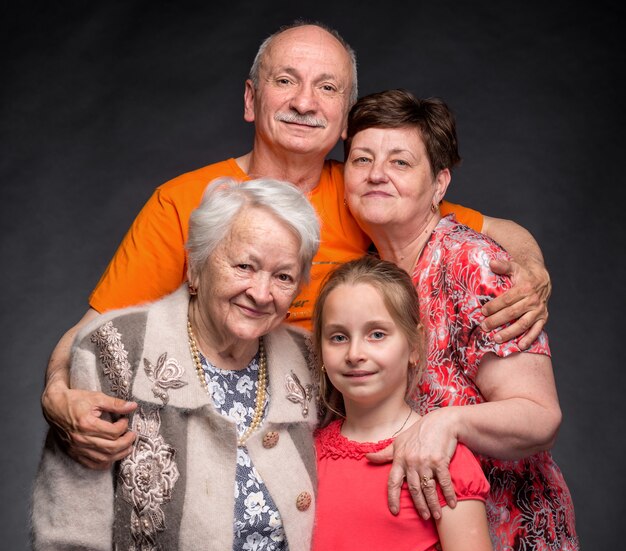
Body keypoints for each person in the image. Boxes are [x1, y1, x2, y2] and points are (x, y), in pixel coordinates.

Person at [41, 21, 552, 473]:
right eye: (285, 81)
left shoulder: (363, 197)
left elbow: (491, 230)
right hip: (223, 458)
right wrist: (58, 395)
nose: (305, 102)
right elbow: (94, 329)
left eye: (326, 88)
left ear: (346, 114)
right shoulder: (186, 202)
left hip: (343, 457)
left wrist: (529, 266)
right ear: (250, 98)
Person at [32, 177, 322, 551]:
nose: (262, 293)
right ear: (196, 266)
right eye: (244, 266)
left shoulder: (309, 362)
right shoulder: (114, 352)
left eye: (283, 276)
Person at [341, 88, 578, 551]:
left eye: (400, 161)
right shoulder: (367, 271)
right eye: (362, 159)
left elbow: (541, 418)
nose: (377, 174)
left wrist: (447, 422)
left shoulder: (474, 266)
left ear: (439, 183)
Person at [280, 256, 501, 551]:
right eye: (338, 337)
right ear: (320, 351)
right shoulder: (305, 454)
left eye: (377, 334)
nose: (355, 353)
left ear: (414, 346)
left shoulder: (440, 459)